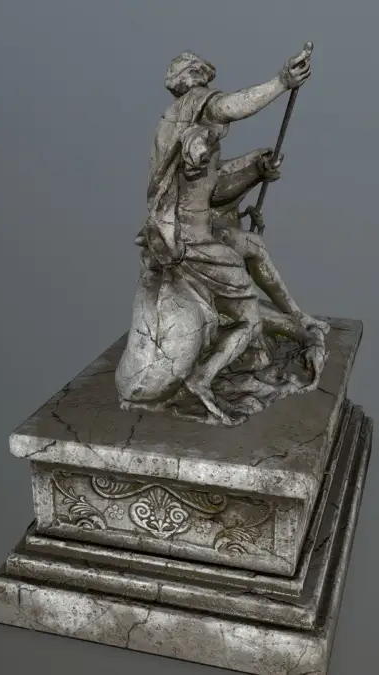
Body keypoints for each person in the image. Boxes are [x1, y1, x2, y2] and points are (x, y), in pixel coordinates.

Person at [117, 46, 321, 426]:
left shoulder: (183, 134)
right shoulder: (190, 116)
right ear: (193, 84)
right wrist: (281, 82)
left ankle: (296, 315)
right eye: (203, 82)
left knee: (253, 245)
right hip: (192, 244)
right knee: (248, 317)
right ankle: (203, 377)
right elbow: (233, 106)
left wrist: (257, 169)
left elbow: (211, 189)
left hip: (196, 234)